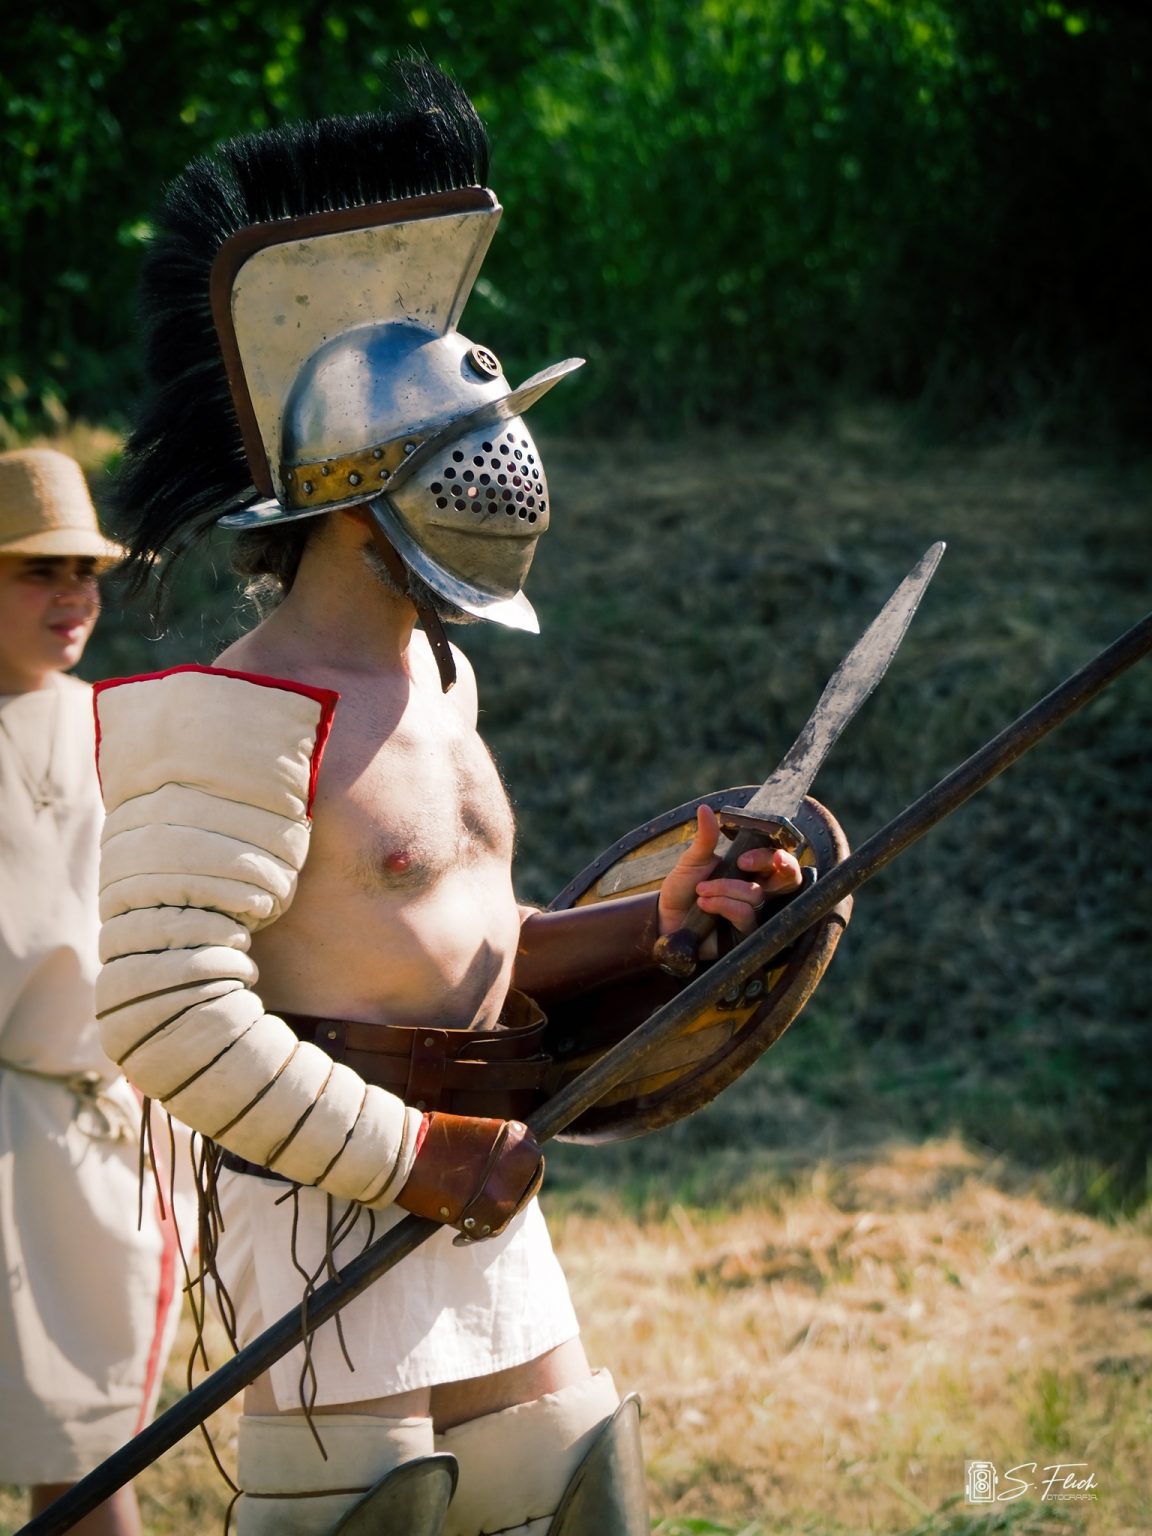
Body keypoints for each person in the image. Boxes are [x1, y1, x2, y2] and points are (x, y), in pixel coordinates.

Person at [93, 63, 802, 1536]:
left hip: (483, 1197)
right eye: (451, 463)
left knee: (582, 1490)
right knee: (373, 1522)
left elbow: (451, 949)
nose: (501, 477)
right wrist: (415, 1156)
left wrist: (642, 928)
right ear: (353, 498)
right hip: (330, 1214)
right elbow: (164, 1017)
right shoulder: (225, 720)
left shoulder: (441, 686)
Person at [0, 447, 191, 1536]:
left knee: (87, 1457)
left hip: (94, 1123)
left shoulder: (117, 724)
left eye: (87, 569)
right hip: (8, 1115)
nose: (75, 594)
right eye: (40, 570)